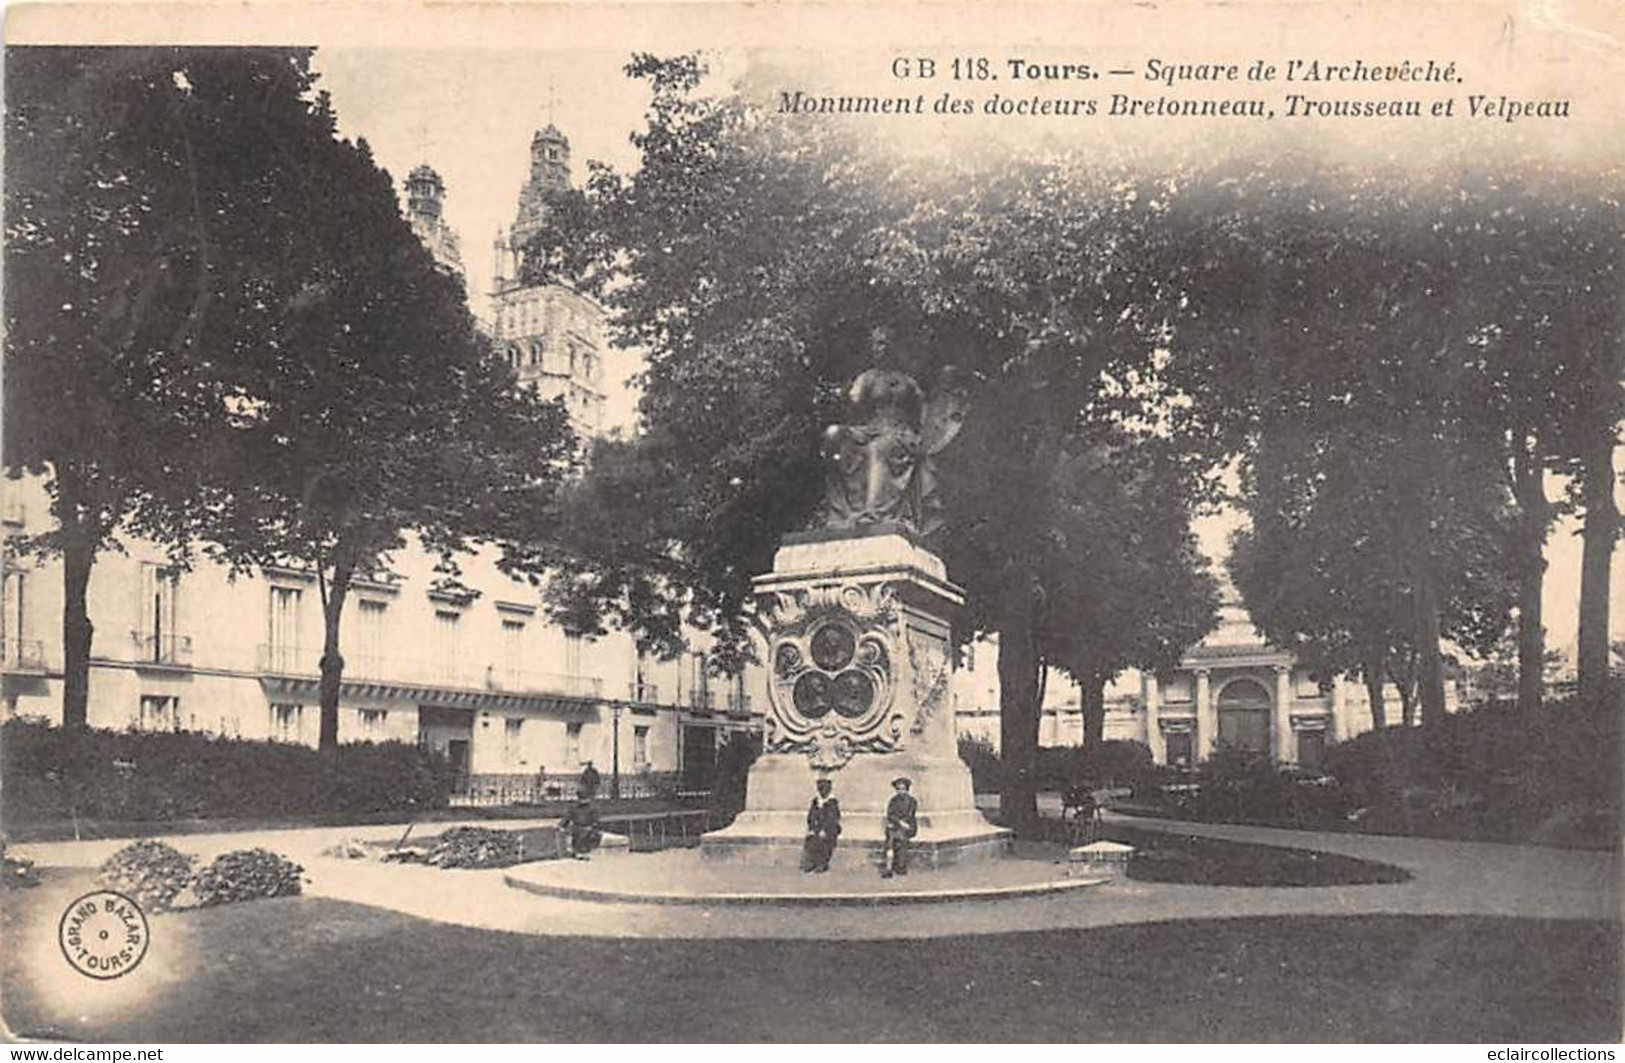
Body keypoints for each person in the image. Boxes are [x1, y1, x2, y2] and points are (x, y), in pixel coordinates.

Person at [882, 776, 919, 878]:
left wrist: (901, 823)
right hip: (896, 826)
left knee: (898, 837)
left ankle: (899, 865)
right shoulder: (893, 801)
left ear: (907, 789)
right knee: (891, 837)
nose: (900, 791)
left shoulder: (912, 801)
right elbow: (890, 814)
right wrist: (897, 822)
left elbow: (910, 815)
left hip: (908, 826)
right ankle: (888, 867)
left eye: (903, 789)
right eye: (898, 789)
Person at [802, 777, 841, 873]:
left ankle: (822, 863)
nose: (822, 792)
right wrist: (811, 828)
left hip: (829, 828)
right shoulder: (816, 801)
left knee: (824, 841)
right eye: (820, 789)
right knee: (811, 840)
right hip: (817, 827)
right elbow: (811, 816)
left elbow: (832, 819)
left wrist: (824, 830)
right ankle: (811, 863)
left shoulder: (832, 803)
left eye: (824, 789)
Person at [559, 789, 601, 859]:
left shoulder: (575, 807)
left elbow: (567, 817)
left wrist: (561, 825)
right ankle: (580, 851)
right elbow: (567, 817)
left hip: (582, 828)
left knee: (582, 833)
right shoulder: (592, 808)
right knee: (581, 833)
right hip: (581, 828)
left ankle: (579, 851)